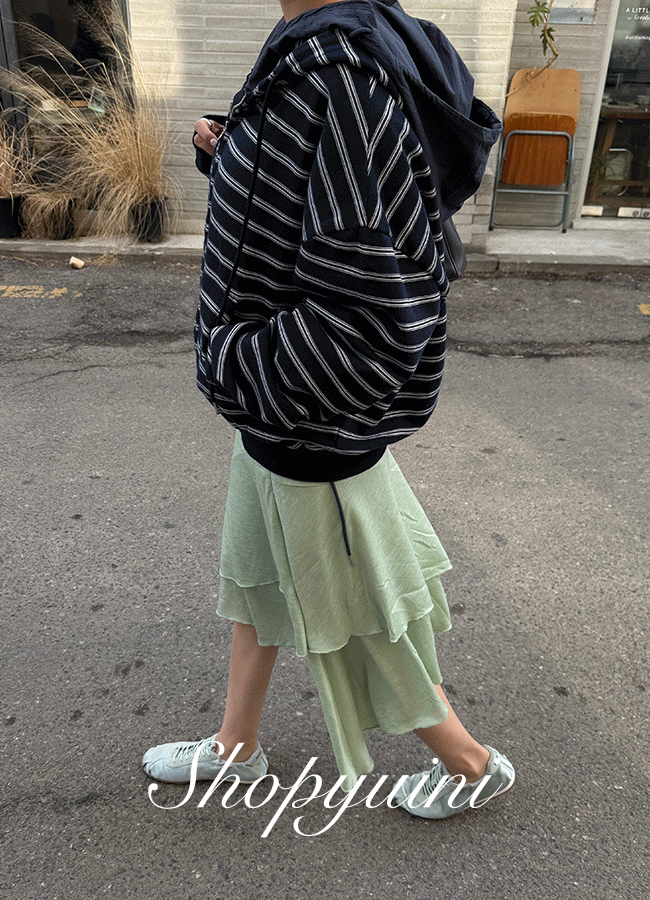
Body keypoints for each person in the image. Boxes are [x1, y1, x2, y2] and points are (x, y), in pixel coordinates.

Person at [142, 0, 515, 819]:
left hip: (305, 419)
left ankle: (470, 765)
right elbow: (310, 198)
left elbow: (370, 308)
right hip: (277, 412)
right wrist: (232, 152)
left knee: (363, 617)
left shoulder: (342, 73)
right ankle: (236, 747)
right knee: (257, 578)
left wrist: (240, 365)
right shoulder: (314, 44)